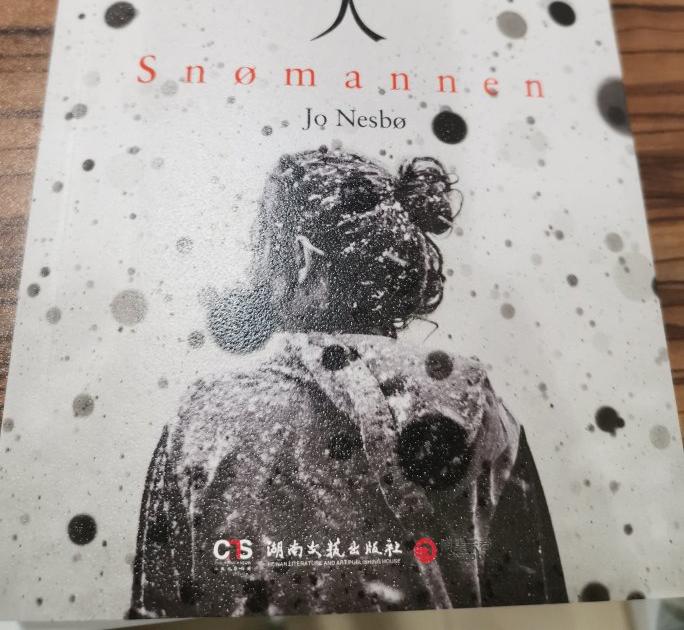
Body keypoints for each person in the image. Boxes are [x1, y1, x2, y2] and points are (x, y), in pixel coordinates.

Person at [129, 147, 567, 618]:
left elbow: (157, 614)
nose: (255, 268)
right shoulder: (484, 414)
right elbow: (541, 614)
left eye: (261, 246)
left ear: (300, 259)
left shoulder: (205, 419)